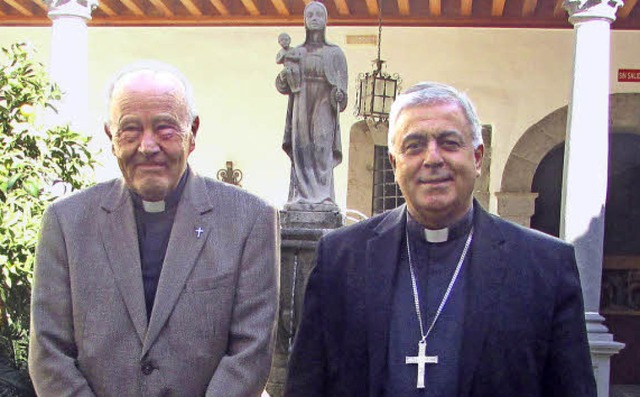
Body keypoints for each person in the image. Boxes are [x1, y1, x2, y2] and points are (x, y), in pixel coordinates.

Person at [284, 82, 597, 397]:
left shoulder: (545, 265)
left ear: (477, 158)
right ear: (394, 164)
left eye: (449, 143)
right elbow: (306, 385)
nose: (432, 158)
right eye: (414, 146)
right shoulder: (340, 257)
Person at [28, 61, 280, 396]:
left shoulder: (249, 220)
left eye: (165, 129)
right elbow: (49, 353)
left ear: (192, 134)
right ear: (111, 138)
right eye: (130, 130)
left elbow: (250, 353)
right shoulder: (67, 222)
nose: (147, 146)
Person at [275, 1, 348, 212]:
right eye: (310, 15)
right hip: (301, 102)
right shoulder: (296, 52)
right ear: (305, 21)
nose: (315, 18)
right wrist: (284, 77)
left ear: (326, 20)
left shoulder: (335, 53)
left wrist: (339, 95)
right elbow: (284, 85)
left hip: (324, 102)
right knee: (302, 147)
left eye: (319, 15)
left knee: (322, 145)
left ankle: (323, 196)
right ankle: (301, 196)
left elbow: (341, 95)